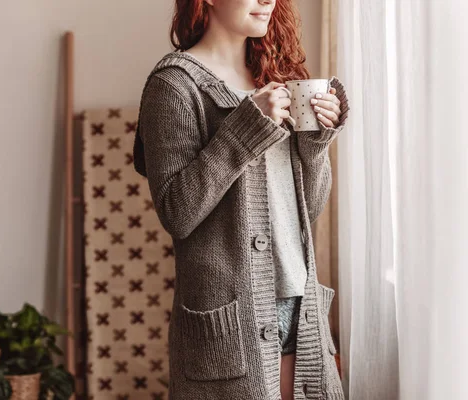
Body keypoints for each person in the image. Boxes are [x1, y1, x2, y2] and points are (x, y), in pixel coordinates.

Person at [132, 0, 350, 399]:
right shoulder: (174, 85)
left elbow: (308, 211)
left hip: (301, 306)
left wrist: (316, 147)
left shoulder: (276, 79)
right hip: (232, 322)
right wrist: (244, 131)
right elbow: (177, 212)